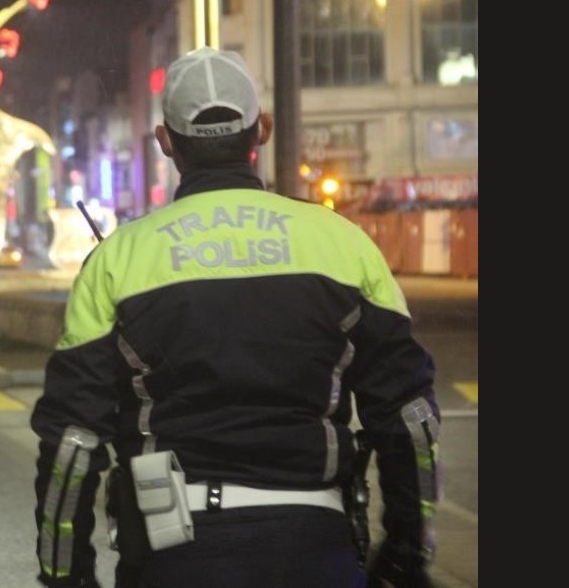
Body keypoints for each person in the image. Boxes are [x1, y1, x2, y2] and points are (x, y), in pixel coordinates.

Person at [30, 46, 440, 588]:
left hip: (171, 554)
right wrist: (407, 556)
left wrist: (66, 576)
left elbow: (72, 445)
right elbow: (411, 422)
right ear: (261, 130)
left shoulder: (118, 261)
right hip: (316, 550)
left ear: (166, 142)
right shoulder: (344, 244)